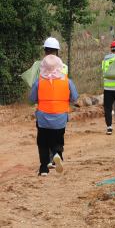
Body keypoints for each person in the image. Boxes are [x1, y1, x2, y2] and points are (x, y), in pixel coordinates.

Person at [23, 37, 68, 171]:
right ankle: (55, 157)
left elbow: (34, 91)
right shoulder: (64, 67)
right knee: (57, 137)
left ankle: (45, 165)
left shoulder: (39, 66)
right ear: (57, 52)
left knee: (43, 138)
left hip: (43, 111)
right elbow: (67, 88)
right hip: (60, 111)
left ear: (44, 52)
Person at [29, 55, 79, 176]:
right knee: (57, 141)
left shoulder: (39, 80)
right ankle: (57, 154)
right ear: (59, 66)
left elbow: (32, 98)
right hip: (60, 117)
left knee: (42, 143)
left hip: (43, 118)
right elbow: (73, 97)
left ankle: (43, 169)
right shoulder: (66, 80)